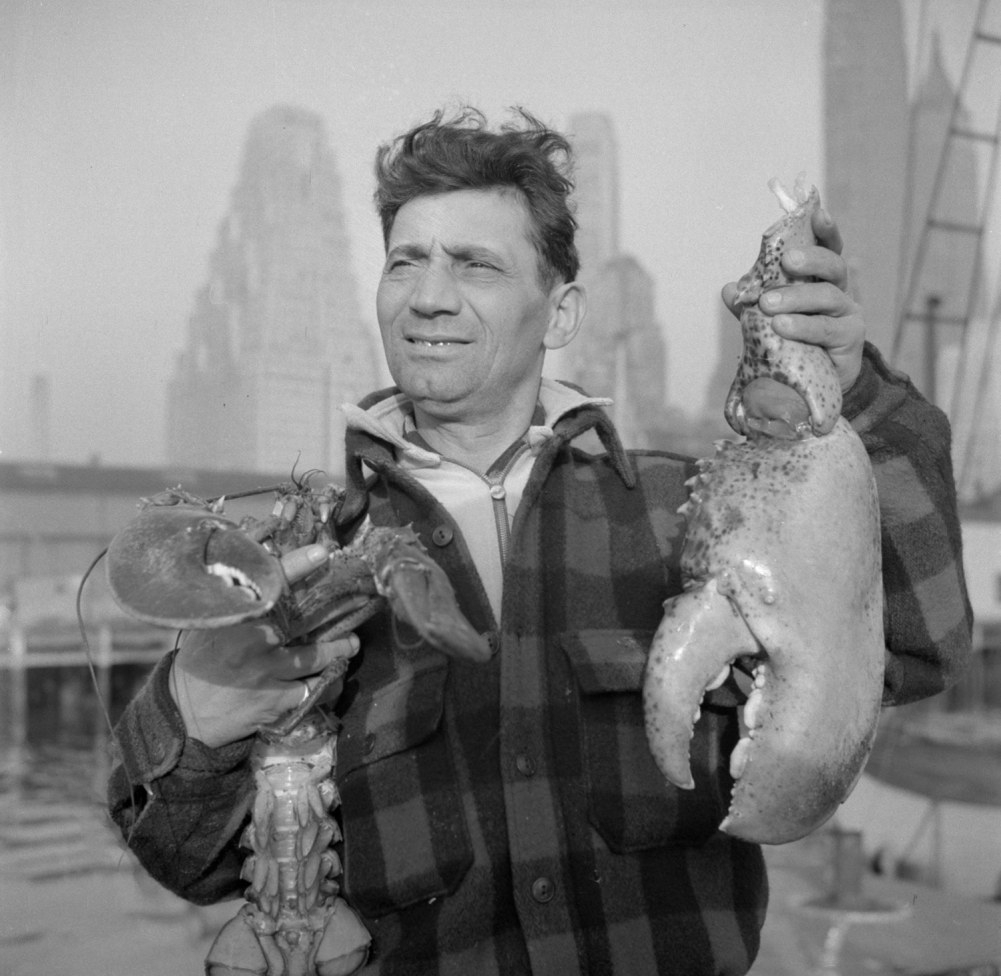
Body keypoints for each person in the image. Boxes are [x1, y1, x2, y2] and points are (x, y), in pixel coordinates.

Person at [109, 107, 972, 975]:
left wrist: (851, 384)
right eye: (404, 262)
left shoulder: (692, 509)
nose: (428, 295)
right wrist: (199, 715)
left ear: (560, 315)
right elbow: (188, 860)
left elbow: (915, 635)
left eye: (474, 265)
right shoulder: (301, 559)